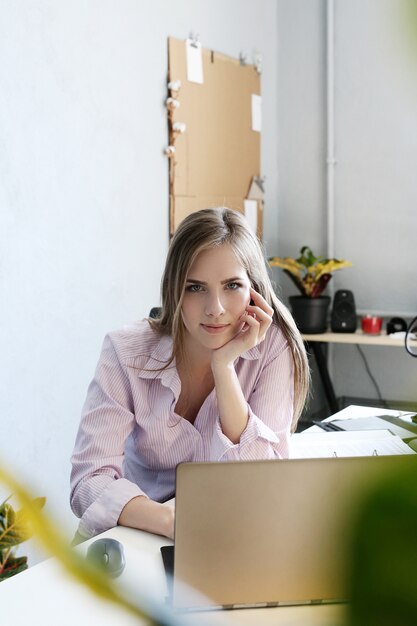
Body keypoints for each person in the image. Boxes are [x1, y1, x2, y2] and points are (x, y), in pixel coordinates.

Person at [70, 207, 310, 541]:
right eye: (195, 287)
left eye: (232, 285)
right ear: (174, 290)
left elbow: (262, 480)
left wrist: (224, 367)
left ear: (253, 291)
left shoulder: (272, 348)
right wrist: (168, 520)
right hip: (135, 532)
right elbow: (88, 480)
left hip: (228, 537)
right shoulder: (125, 351)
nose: (216, 308)